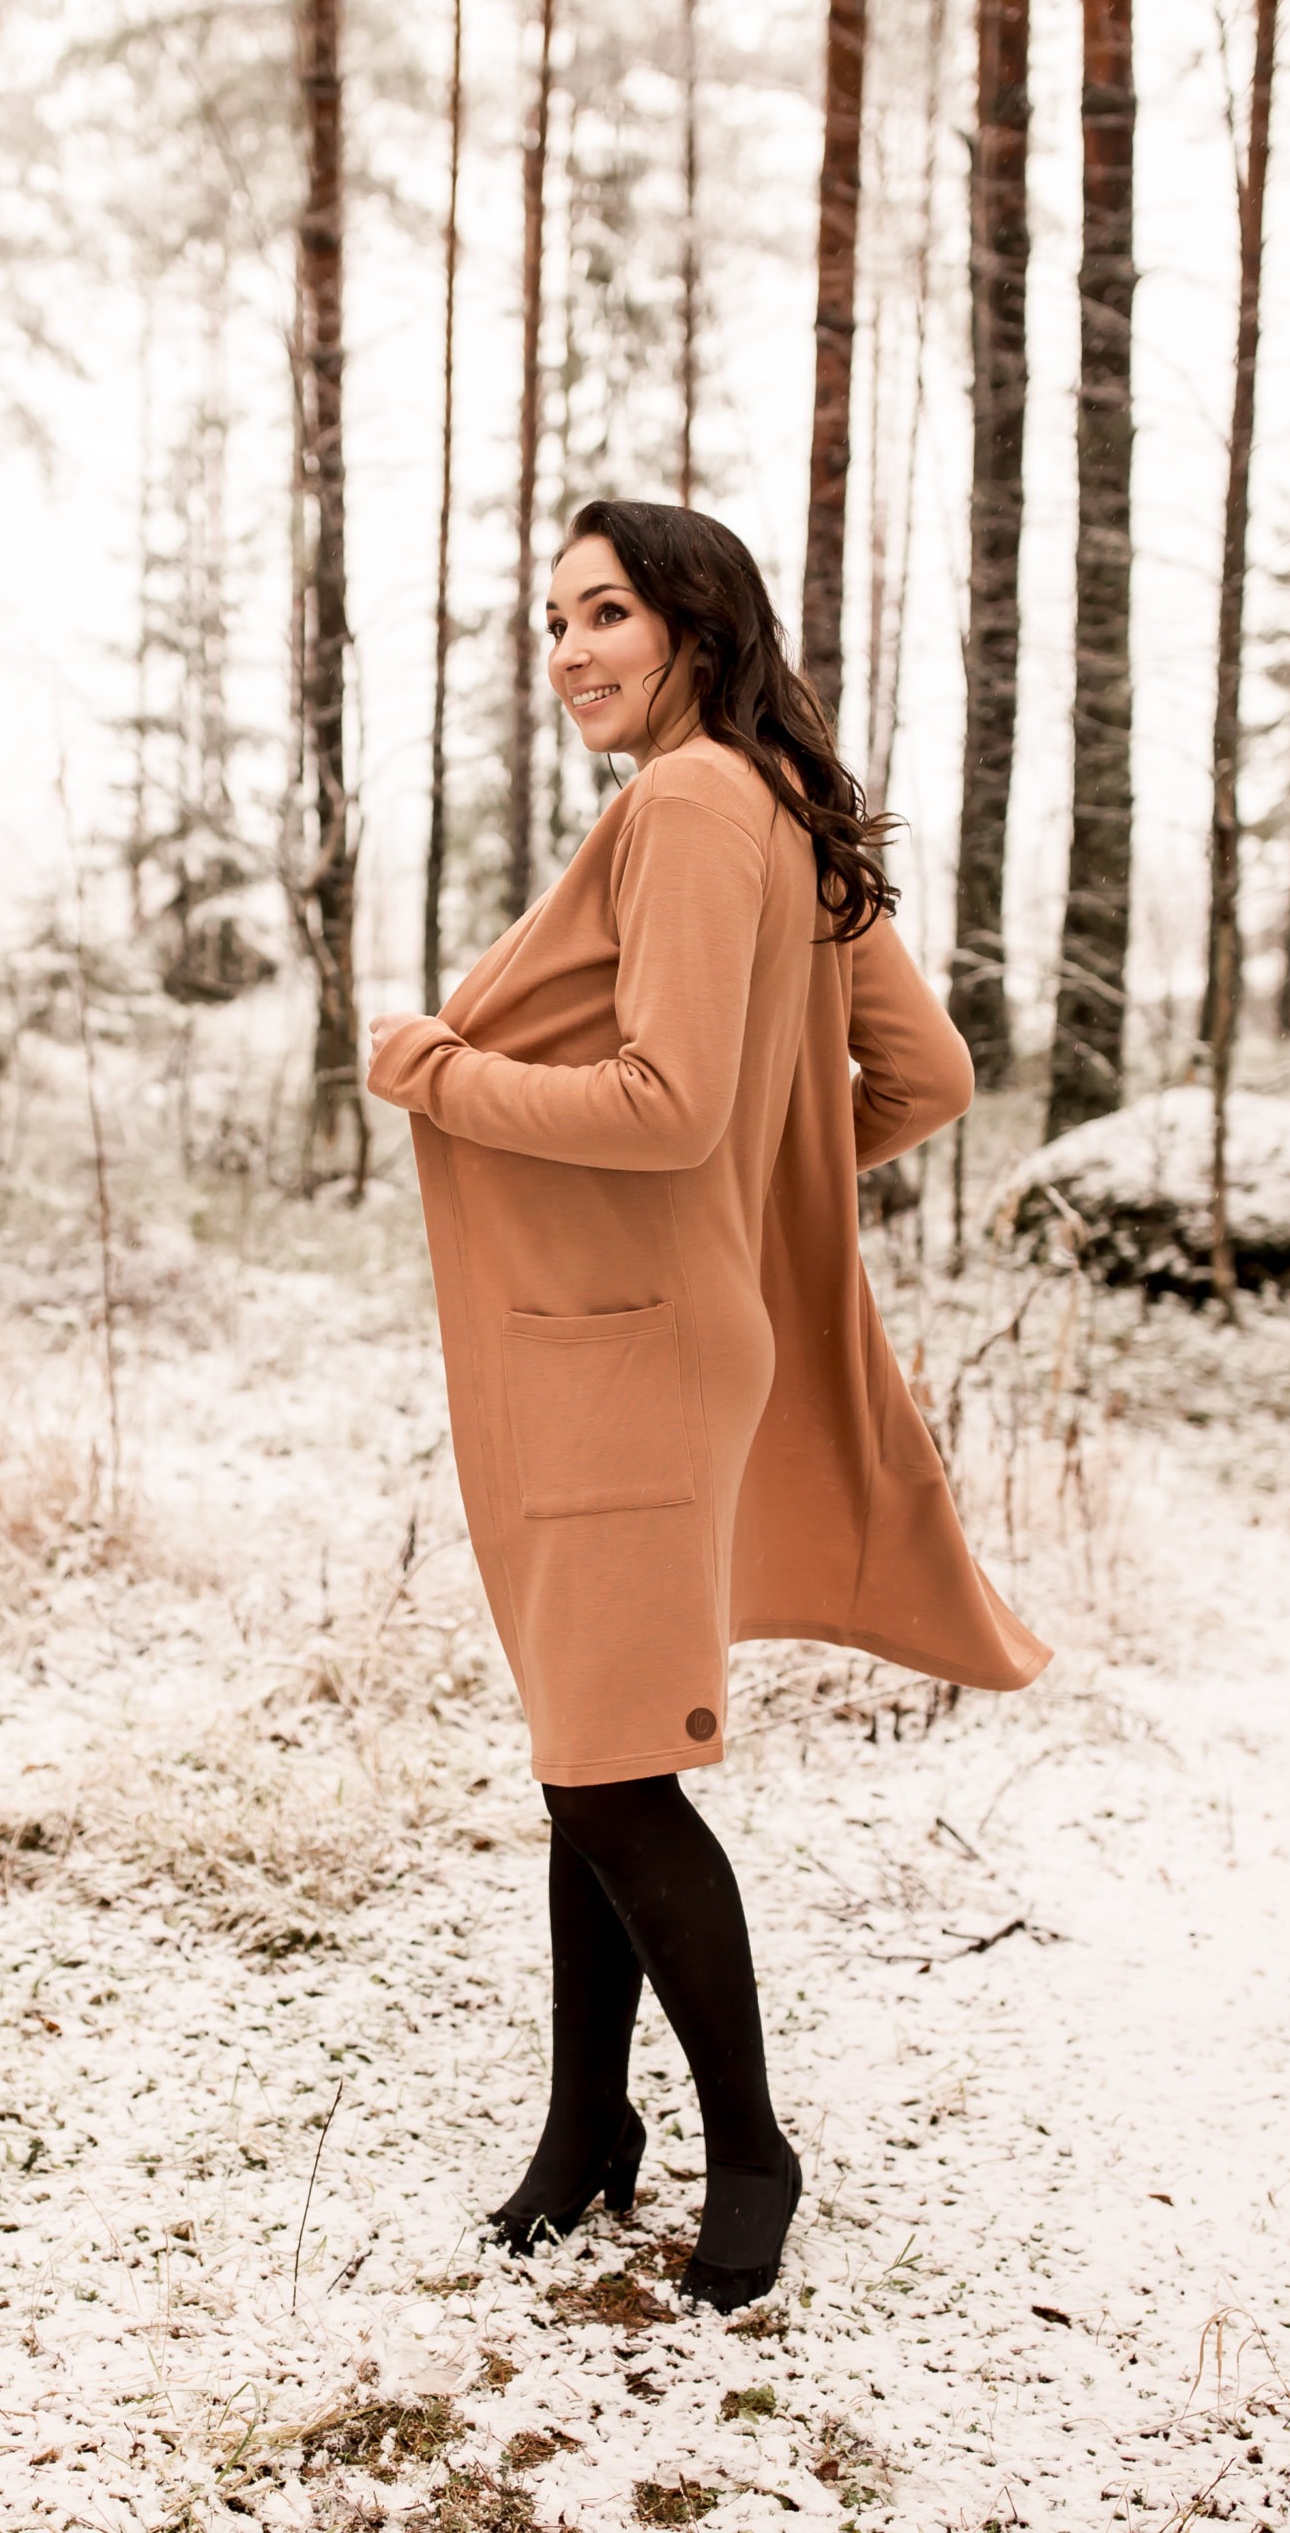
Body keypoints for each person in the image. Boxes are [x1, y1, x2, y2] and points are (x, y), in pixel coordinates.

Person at [367, 500, 1049, 2313]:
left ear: (693, 624)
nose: (568, 650)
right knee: (593, 1753)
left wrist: (434, 1069)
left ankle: (748, 2150)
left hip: (621, 1361)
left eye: (604, 612)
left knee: (606, 1774)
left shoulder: (682, 804)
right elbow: (925, 1075)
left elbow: (664, 1102)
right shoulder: (779, 803)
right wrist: (761, 1181)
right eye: (551, 620)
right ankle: (586, 2126)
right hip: (657, 1340)